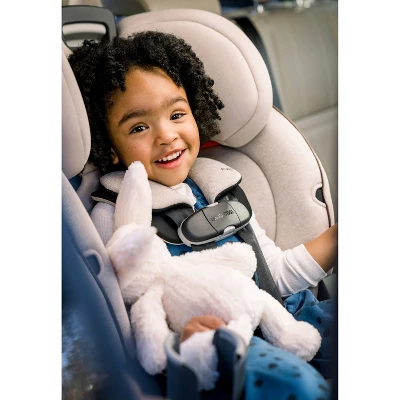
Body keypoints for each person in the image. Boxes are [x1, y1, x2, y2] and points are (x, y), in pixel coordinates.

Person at [68, 31, 338, 400]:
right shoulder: (113, 215)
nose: (166, 135)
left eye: (177, 114)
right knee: (300, 387)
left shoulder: (218, 187)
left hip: (282, 314)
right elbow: (130, 321)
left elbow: (271, 276)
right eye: (139, 127)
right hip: (221, 345)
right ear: (109, 145)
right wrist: (180, 340)